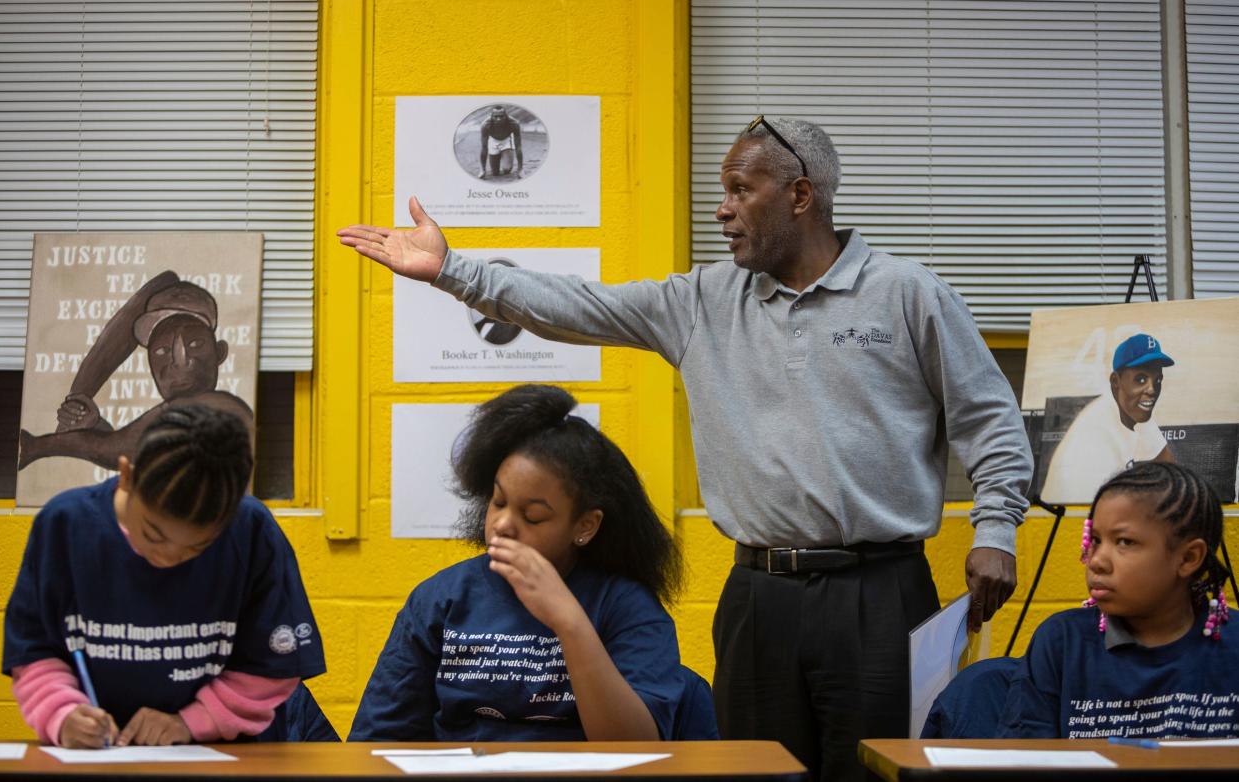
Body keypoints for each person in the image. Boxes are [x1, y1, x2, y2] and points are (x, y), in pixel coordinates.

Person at [338, 116, 1031, 779]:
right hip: (759, 593)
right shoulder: (701, 301)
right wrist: (454, 270)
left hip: (878, 589)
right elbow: (575, 304)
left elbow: (990, 419)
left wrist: (996, 529)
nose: (722, 211)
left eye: (740, 190)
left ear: (800, 195)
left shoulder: (909, 295)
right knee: (758, 776)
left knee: (876, 770)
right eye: (720, 192)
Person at [348, 384, 693, 742]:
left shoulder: (625, 605)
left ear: (585, 526)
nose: (502, 524)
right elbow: (378, 738)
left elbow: (635, 748)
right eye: (498, 502)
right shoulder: (442, 599)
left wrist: (569, 621)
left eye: (533, 516)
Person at [2, 404, 324, 748]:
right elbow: (34, 651)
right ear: (127, 475)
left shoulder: (249, 531)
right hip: (98, 753)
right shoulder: (66, 526)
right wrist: (61, 713)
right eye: (153, 534)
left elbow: (272, 665)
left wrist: (193, 721)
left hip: (222, 753)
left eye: (195, 548)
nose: (168, 557)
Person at [999, 461, 1237, 739]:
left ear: (1188, 558)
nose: (1097, 561)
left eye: (1125, 542)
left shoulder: (1233, 649)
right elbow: (1024, 761)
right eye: (1096, 540)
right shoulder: (1062, 642)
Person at [18, 272, 252, 472]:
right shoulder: (170, 424)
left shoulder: (221, 407)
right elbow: (129, 454)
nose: (178, 360)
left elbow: (116, 448)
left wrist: (39, 446)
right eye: (162, 350)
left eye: (194, 344)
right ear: (149, 362)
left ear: (220, 352)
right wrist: (95, 425)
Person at [1040, 333, 1175, 504]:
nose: (1152, 390)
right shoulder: (1091, 444)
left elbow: (1171, 468)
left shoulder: (1133, 407)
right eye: (1141, 379)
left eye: (1157, 380)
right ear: (1115, 381)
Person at [478, 106, 523, 180]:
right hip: (493, 141)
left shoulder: (514, 123)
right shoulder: (485, 125)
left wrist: (520, 169)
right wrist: (482, 170)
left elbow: (518, 146)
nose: (498, 119)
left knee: (506, 170)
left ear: (506, 116)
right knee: (495, 173)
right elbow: (484, 148)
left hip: (506, 141)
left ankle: (505, 154)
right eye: (496, 116)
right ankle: (497, 156)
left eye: (501, 116)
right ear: (491, 116)